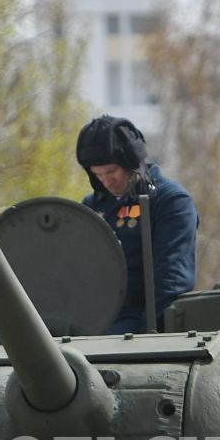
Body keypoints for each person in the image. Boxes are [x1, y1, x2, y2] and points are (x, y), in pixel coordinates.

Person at [75, 115, 198, 333]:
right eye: (98, 174)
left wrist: (142, 339)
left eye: (111, 171)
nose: (106, 181)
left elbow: (171, 283)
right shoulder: (92, 206)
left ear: (131, 162)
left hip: (141, 322)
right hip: (92, 320)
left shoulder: (170, 202)